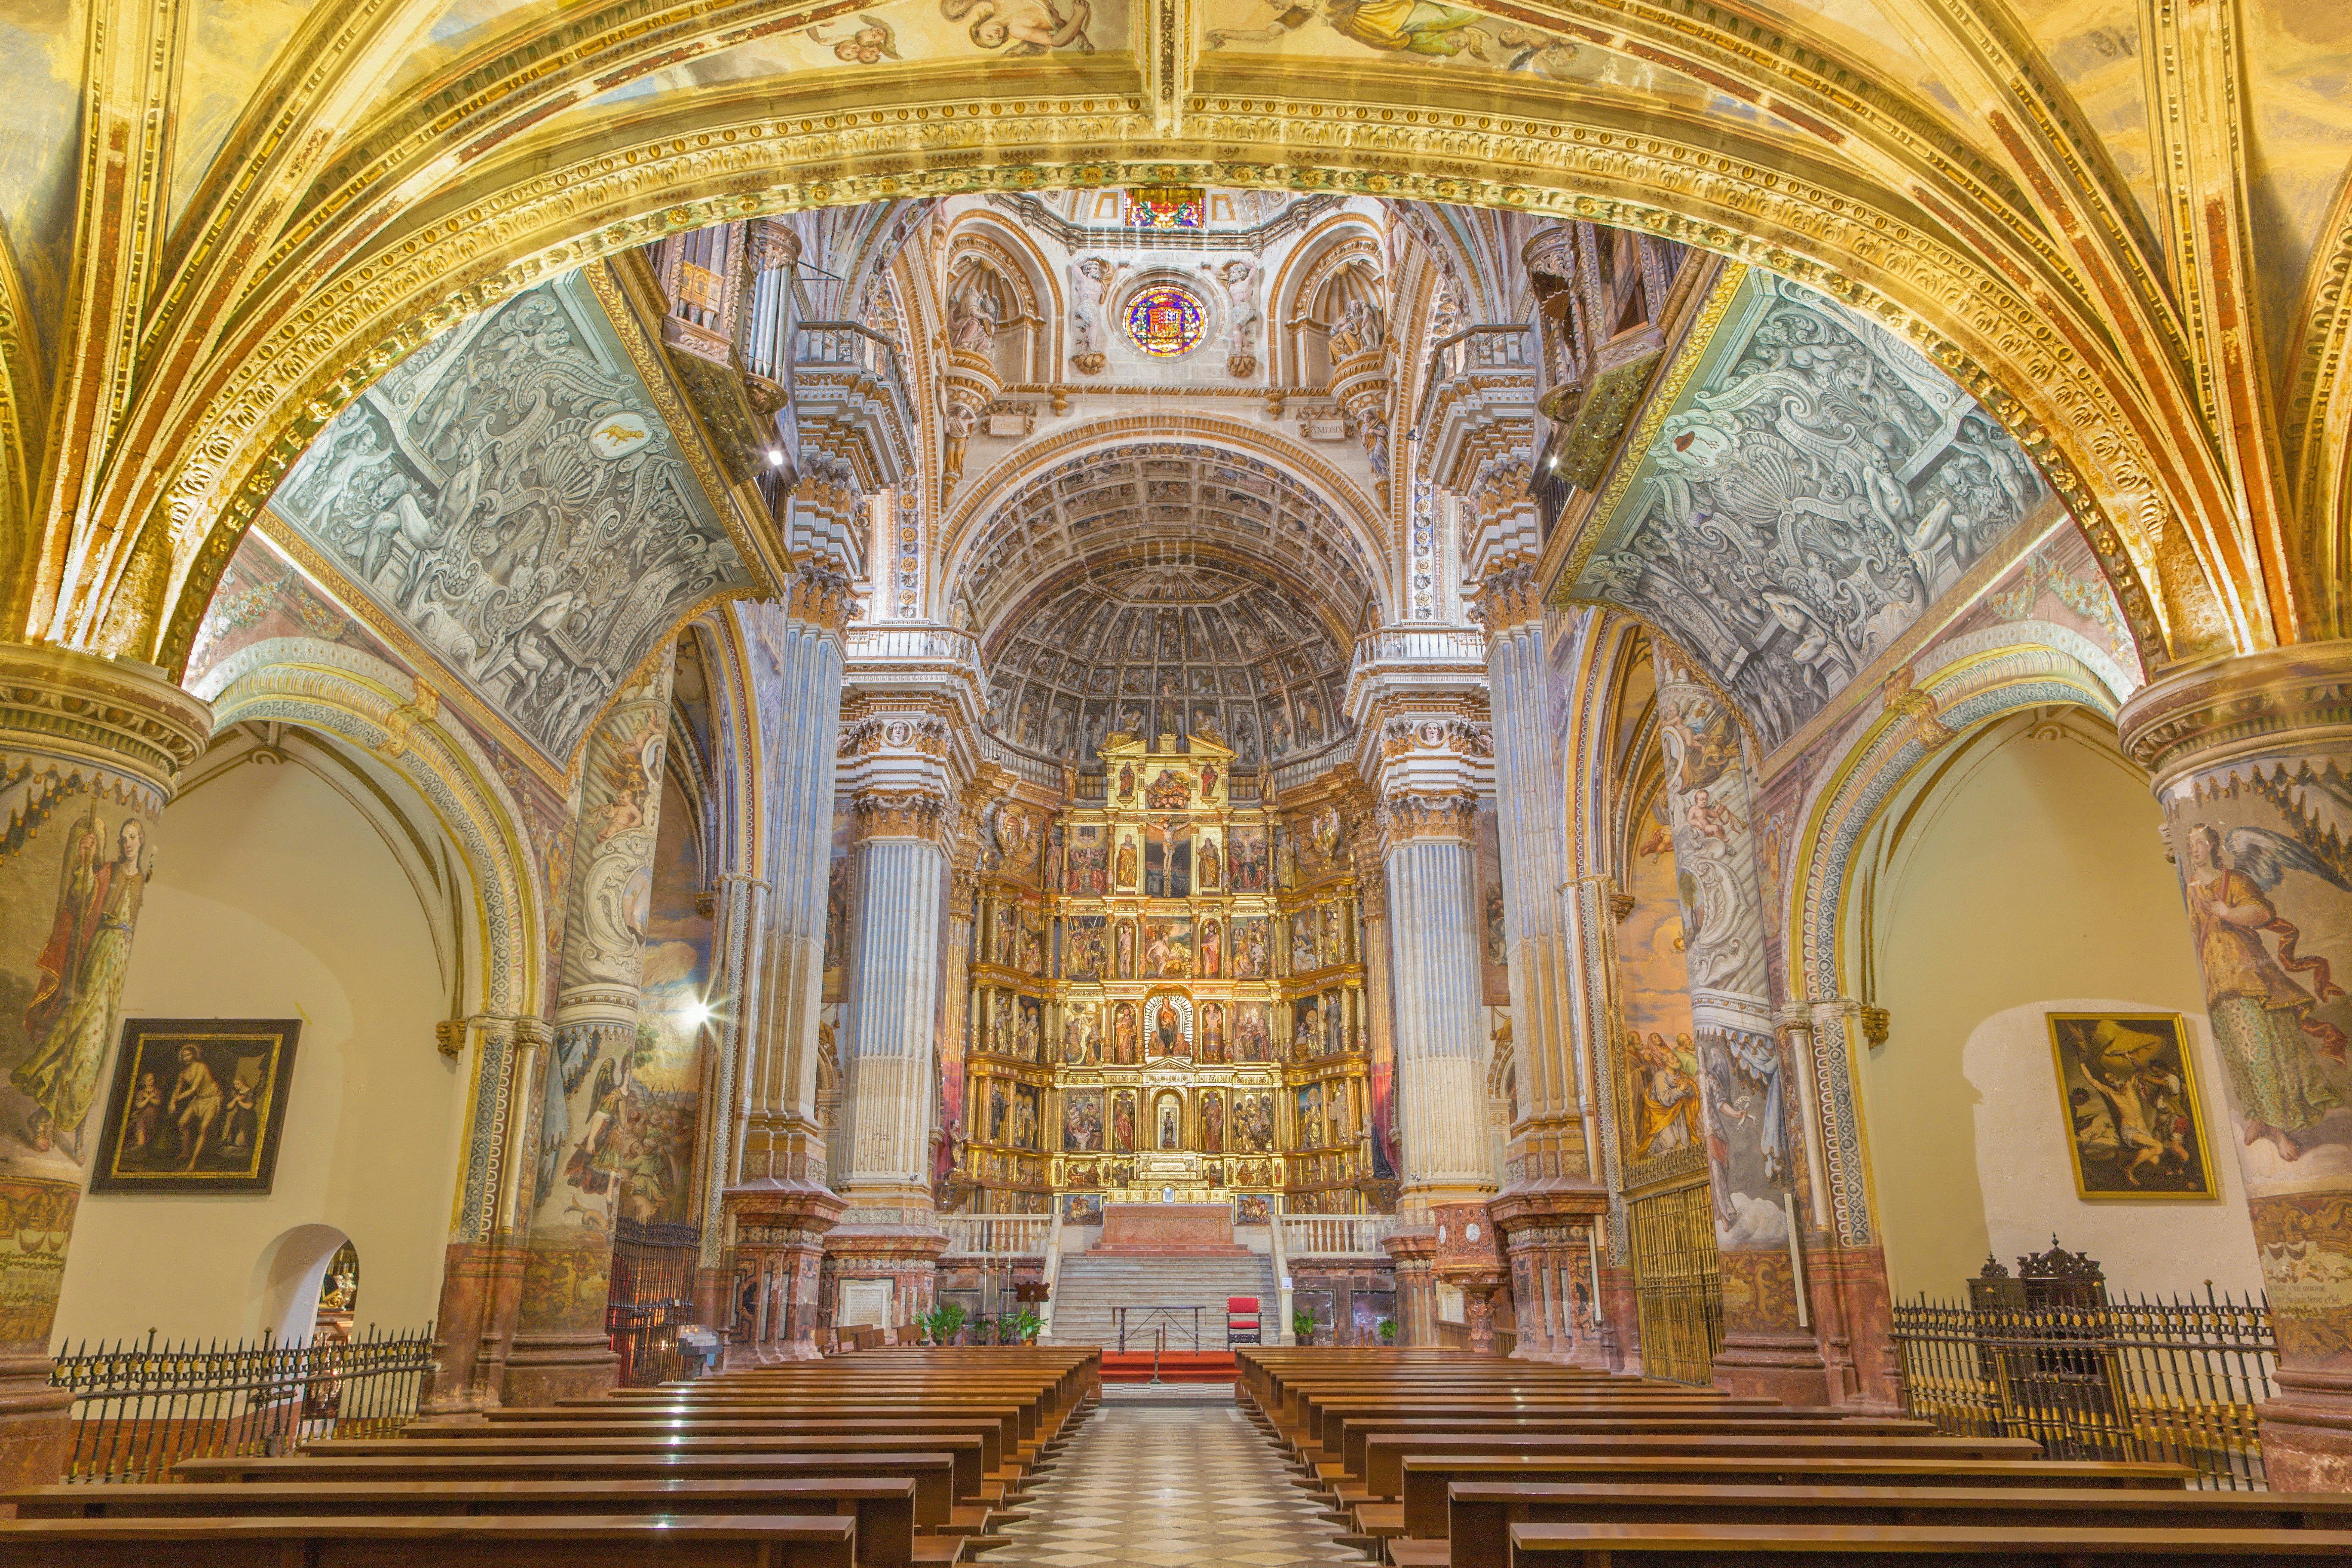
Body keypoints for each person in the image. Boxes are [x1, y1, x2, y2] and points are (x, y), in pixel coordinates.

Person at [18, 811, 150, 1160]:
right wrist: (85, 859)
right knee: (77, 1038)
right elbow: (80, 899)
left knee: (97, 1052)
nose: (127, 843)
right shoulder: (109, 871)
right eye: (123, 838)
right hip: (100, 958)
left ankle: (74, 1130)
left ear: (143, 843)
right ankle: (45, 1118)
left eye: (133, 837)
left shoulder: (144, 879)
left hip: (122, 965)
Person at [167, 1043, 226, 1172]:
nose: (186, 1058)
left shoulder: (201, 1067)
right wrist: (173, 1099)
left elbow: (193, 1089)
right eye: (184, 1056)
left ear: (194, 1055)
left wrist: (175, 1100)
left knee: (204, 1128)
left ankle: (193, 1162)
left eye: (189, 1055)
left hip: (212, 1098)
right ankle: (186, 1152)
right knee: (182, 1124)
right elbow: (178, 1089)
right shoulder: (183, 1073)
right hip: (199, 1099)